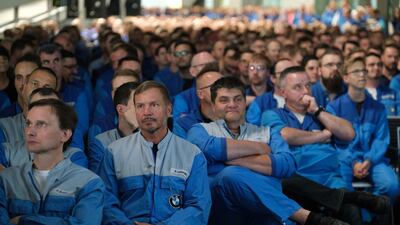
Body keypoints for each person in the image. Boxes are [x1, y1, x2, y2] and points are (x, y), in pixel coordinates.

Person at [187, 76, 348, 225]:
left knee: (235, 174)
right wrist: (260, 148)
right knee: (229, 175)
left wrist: (227, 159)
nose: (232, 104)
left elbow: (287, 164)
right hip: (224, 210)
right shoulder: (199, 130)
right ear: (214, 106)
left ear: (245, 103)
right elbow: (210, 148)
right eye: (224, 100)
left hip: (261, 209)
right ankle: (306, 217)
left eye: (237, 99)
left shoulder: (266, 132)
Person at [99, 81, 211, 224]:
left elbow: (198, 207)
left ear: (169, 110)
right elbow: (106, 203)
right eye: (140, 106)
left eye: (154, 105)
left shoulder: (192, 154)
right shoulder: (114, 152)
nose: (147, 112)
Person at [0, 99, 105, 224]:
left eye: (41, 124)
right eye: (28, 124)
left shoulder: (89, 183)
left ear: (65, 134)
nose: (30, 131)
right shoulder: (5, 179)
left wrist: (24, 220)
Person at [327, 57, 400, 201]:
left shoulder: (378, 108)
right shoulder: (334, 107)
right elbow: (335, 143)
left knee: (391, 186)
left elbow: (381, 140)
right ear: (346, 78)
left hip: (373, 159)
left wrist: (368, 161)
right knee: (341, 190)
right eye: (356, 71)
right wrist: (354, 162)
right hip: (343, 160)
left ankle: (369, 214)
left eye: (363, 71)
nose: (362, 74)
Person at [88, 82, 140, 173]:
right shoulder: (101, 143)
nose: (147, 111)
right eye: (139, 106)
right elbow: (102, 183)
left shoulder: (155, 139)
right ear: (121, 110)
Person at [173, 65, 222, 138]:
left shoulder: (236, 116)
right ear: (200, 94)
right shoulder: (184, 124)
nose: (222, 90)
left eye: (225, 85)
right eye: (215, 86)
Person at [246, 58, 294, 126]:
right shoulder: (260, 102)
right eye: (283, 73)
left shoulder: (304, 100)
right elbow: (252, 131)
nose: (289, 77)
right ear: (273, 78)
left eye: (292, 73)